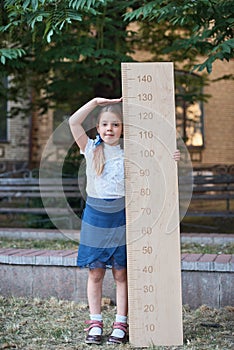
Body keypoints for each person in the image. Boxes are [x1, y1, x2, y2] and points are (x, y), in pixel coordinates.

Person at [69, 97, 180, 345]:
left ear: (122, 128)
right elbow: (73, 122)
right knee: (95, 272)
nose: (110, 129)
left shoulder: (130, 153)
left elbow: (158, 165)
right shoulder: (89, 149)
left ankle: (120, 323)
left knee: (121, 273)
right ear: (98, 128)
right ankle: (95, 322)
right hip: (96, 216)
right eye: (105, 124)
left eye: (116, 124)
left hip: (121, 216)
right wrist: (95, 103)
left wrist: (172, 157)